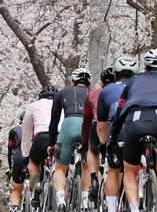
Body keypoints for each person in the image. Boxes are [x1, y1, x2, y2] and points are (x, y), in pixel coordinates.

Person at [109, 49, 157, 212]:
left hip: (135, 119)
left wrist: (113, 138)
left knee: (130, 171)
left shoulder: (134, 80)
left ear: (145, 68)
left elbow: (120, 109)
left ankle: (134, 207)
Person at [98, 57, 139, 212]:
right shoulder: (141, 87)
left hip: (120, 129)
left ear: (115, 75)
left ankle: (111, 208)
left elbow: (101, 126)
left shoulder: (106, 91)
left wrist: (104, 145)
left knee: (114, 170)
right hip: (142, 126)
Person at [50, 69, 94, 212]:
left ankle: (61, 200)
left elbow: (53, 123)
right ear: (90, 84)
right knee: (87, 166)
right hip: (89, 126)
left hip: (69, 124)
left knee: (60, 168)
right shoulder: (94, 93)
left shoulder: (62, 93)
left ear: (72, 82)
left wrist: (51, 144)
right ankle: (85, 202)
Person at [83, 68, 117, 210]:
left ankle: (94, 178)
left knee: (93, 151)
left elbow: (86, 121)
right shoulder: (123, 91)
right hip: (116, 127)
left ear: (102, 83)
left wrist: (84, 143)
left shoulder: (92, 95)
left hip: (97, 127)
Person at [23, 86, 59, 204]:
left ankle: (37, 183)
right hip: (60, 137)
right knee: (62, 167)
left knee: (33, 162)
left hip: (41, 137)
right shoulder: (63, 104)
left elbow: (26, 133)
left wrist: (25, 155)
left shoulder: (33, 106)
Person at [9, 111, 28, 212]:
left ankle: (15, 208)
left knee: (16, 189)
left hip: (19, 154)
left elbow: (10, 151)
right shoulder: (38, 127)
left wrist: (11, 169)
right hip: (34, 153)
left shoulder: (14, 130)